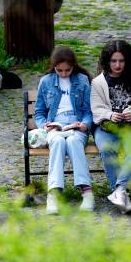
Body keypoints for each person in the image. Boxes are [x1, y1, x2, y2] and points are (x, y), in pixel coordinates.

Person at [91, 40, 131, 213]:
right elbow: (96, 108)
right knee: (107, 148)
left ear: (128, 60)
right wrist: (109, 114)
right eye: (113, 61)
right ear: (107, 61)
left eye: (122, 61)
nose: (118, 65)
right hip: (107, 127)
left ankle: (119, 190)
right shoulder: (98, 82)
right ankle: (120, 192)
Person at [34, 46, 94, 214]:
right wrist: (44, 125)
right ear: (54, 67)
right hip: (55, 125)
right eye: (59, 70)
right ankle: (53, 195)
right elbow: (39, 112)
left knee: (74, 141)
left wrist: (84, 124)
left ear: (73, 66)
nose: (64, 74)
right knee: (58, 141)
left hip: (76, 125)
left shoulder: (82, 80)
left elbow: (89, 111)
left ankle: (87, 193)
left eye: (67, 70)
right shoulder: (46, 81)